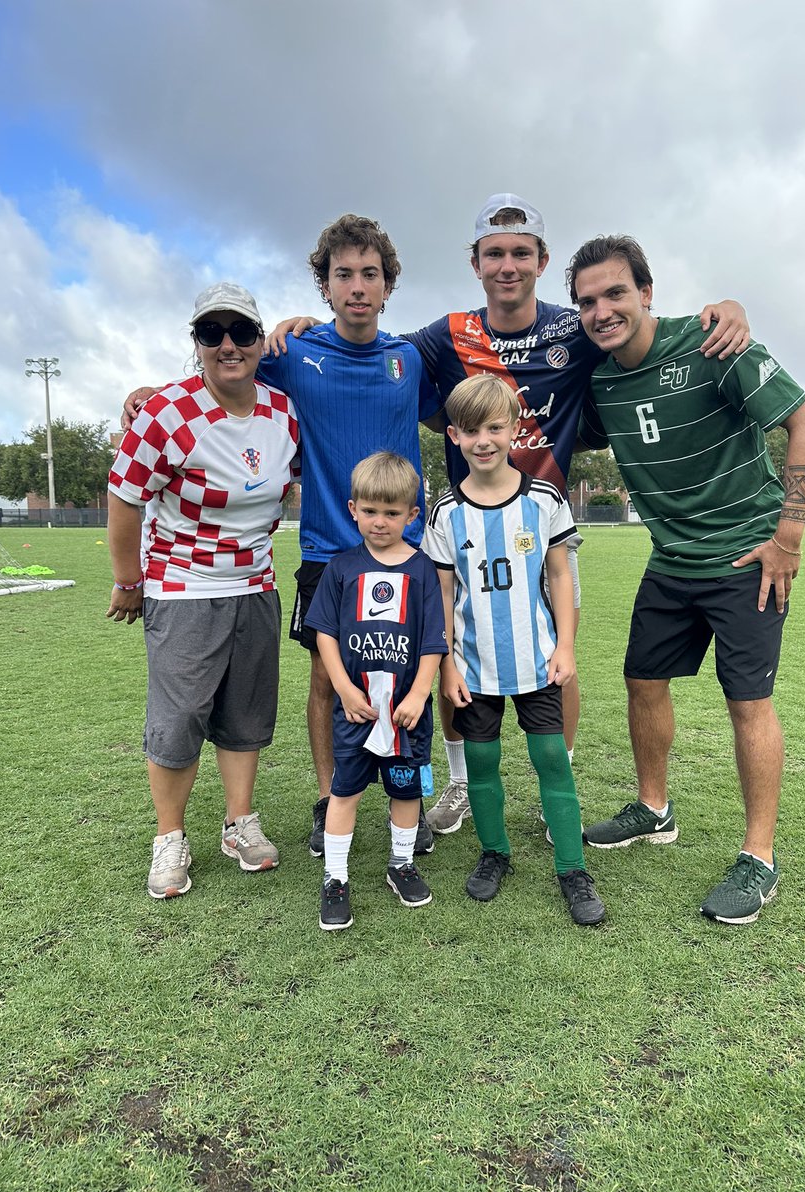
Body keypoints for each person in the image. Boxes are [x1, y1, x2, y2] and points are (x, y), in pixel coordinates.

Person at [271, 194, 750, 839]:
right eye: (494, 253)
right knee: (445, 657)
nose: (507, 264)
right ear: (475, 263)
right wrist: (297, 325)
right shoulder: (439, 339)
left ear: (541, 260)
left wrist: (722, 310)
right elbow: (321, 355)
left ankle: (562, 787)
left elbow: (636, 322)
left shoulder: (574, 329)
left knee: (557, 656)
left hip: (546, 531)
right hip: (459, 532)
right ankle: (458, 790)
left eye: (521, 252)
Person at [122, 216, 441, 859]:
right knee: (328, 679)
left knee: (413, 672)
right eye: (343, 274)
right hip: (328, 551)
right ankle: (331, 799)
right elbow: (222, 371)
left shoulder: (411, 358)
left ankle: (410, 797)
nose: (357, 287)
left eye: (369, 275)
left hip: (408, 549)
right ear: (324, 285)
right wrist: (148, 394)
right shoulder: (293, 353)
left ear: (388, 285)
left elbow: (461, 418)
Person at [567, 235, 805, 925]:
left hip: (747, 559)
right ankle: (655, 810)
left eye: (615, 293)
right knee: (641, 681)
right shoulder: (600, 380)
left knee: (748, 704)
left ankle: (760, 858)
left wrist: (789, 539)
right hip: (670, 560)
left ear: (646, 292)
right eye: (588, 301)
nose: (602, 311)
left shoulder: (715, 341)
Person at [107, 283, 299, 899]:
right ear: (196, 344)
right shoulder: (165, 413)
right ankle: (170, 838)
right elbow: (124, 496)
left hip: (256, 583)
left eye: (241, 332)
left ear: (258, 341)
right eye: (210, 333)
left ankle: (239, 823)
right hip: (183, 586)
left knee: (245, 713)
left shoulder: (281, 410)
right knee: (180, 716)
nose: (227, 345)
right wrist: (127, 580)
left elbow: (286, 482)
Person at [422, 375, 606, 927]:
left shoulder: (544, 499)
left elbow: (558, 576)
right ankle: (494, 852)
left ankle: (572, 867)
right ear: (454, 436)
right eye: (472, 430)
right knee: (481, 761)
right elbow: (443, 594)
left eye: (495, 427)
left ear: (515, 430)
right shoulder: (446, 512)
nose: (484, 440)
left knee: (551, 758)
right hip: (474, 666)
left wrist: (567, 647)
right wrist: (449, 661)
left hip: (536, 659)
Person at [304, 453, 447, 930]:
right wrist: (343, 689)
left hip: (404, 714)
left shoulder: (423, 570)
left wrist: (419, 694)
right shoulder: (341, 568)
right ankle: (336, 878)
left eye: (391, 512)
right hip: (357, 712)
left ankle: (401, 864)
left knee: (405, 792)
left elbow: (433, 639)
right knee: (344, 792)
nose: (379, 521)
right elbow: (324, 633)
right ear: (352, 509)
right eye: (370, 511)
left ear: (412, 514)